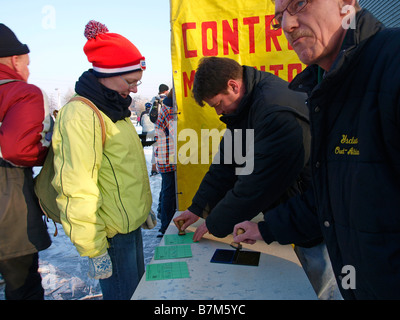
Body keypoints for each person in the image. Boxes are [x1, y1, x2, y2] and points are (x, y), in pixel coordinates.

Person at [234, 0, 400, 299]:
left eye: (299, 3)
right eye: (279, 17)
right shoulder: (326, 87)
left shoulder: (393, 64)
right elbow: (335, 195)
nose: (286, 25)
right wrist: (267, 228)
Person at [173, 57, 341, 298]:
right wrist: (198, 208)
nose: (219, 111)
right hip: (295, 210)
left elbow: (258, 184)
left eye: (218, 104)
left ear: (233, 86)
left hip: (317, 217)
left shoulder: (275, 111)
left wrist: (215, 224)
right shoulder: (246, 105)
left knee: (321, 290)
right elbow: (226, 164)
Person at [51, 20, 152, 300]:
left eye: (137, 82)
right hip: (109, 237)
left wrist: (139, 207)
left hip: (127, 227)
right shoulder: (82, 115)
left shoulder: (114, 109)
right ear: (108, 75)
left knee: (138, 294)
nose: (134, 90)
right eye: (130, 81)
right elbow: (76, 186)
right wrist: (93, 248)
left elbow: (123, 168)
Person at [0, 24, 52, 300]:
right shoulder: (22, 92)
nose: (28, 71)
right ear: (14, 59)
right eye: (27, 63)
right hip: (10, 214)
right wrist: (46, 151)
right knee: (23, 287)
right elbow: (17, 149)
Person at [154, 89, 177, 236]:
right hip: (169, 157)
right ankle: (166, 225)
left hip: (164, 156)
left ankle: (163, 219)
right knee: (170, 192)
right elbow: (176, 134)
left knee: (166, 189)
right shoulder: (171, 111)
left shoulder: (166, 107)